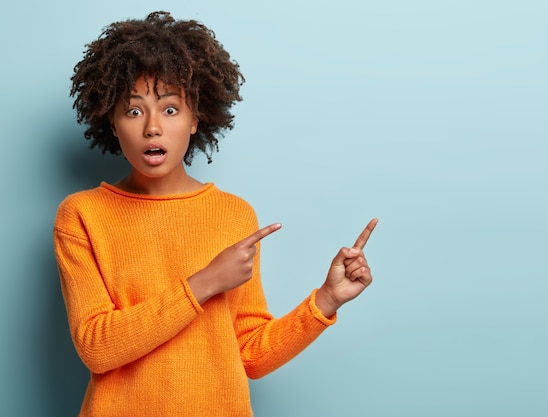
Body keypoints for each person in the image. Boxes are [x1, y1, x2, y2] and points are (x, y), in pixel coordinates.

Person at [53, 10, 378, 417]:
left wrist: (327, 300)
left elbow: (250, 354)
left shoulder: (233, 215)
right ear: (112, 123)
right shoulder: (82, 215)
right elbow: (97, 347)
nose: (152, 127)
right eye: (133, 111)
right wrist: (205, 283)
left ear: (195, 119)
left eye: (170, 109)